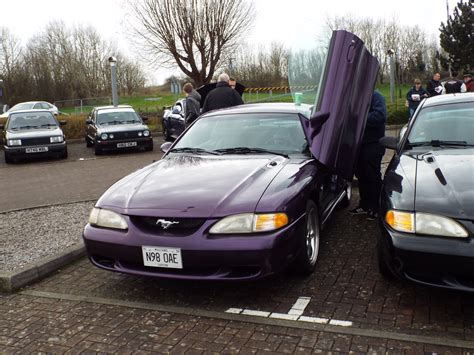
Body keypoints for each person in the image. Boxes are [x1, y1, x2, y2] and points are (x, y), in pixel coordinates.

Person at [350, 91, 387, 220]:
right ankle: (365, 205)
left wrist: (358, 117)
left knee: (373, 176)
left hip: (373, 144)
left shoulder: (376, 97)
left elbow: (380, 116)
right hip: (358, 145)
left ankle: (376, 207)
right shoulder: (356, 97)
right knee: (361, 176)